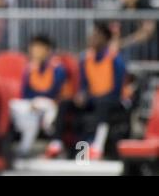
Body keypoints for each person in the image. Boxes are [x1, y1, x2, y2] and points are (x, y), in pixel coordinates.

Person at [45, 24, 126, 160]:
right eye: (91, 35)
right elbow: (84, 84)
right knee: (65, 103)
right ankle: (56, 142)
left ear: (105, 39)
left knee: (103, 103)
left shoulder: (115, 59)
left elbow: (117, 89)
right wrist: (82, 94)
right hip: (93, 99)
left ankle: (97, 146)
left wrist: (95, 97)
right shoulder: (85, 59)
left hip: (112, 100)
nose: (92, 38)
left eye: (96, 35)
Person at [10, 35, 66, 157]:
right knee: (12, 106)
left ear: (47, 50)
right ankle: (16, 144)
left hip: (50, 104)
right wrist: (31, 102)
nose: (34, 51)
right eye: (33, 48)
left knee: (36, 112)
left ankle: (28, 146)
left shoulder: (57, 68)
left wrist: (37, 100)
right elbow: (25, 93)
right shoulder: (29, 68)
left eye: (38, 48)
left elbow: (54, 91)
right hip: (31, 104)